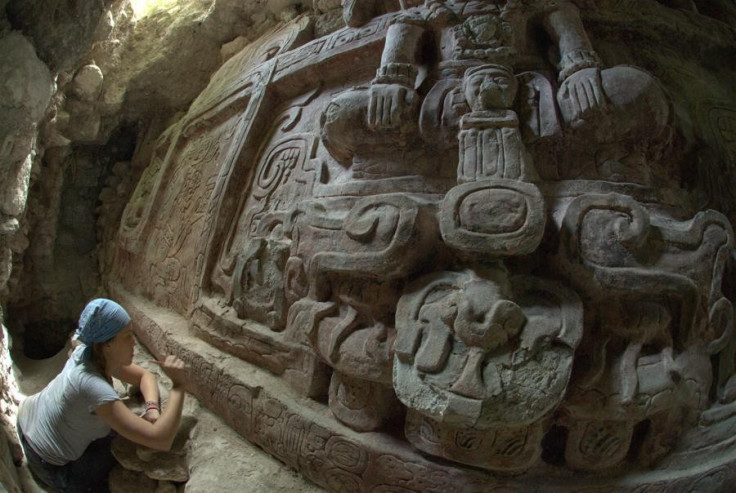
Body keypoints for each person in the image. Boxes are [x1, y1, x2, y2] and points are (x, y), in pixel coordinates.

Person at [16, 298, 188, 492]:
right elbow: (161, 440)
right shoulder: (93, 387)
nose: (134, 343)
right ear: (107, 344)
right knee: (118, 441)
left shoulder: (87, 351)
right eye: (127, 336)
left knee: (118, 426)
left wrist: (152, 409)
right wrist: (179, 385)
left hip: (26, 419)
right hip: (49, 464)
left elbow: (145, 376)